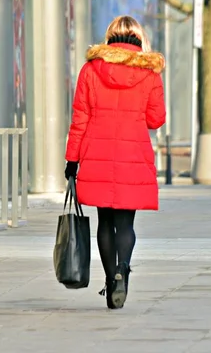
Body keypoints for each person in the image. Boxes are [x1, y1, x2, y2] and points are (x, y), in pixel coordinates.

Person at [64, 15, 166, 310]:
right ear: (139, 39)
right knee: (126, 224)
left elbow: (79, 119)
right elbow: (156, 119)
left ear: (110, 37)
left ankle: (111, 282)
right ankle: (124, 269)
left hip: (96, 155)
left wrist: (72, 160)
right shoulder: (149, 74)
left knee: (104, 222)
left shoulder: (90, 70)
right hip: (132, 157)